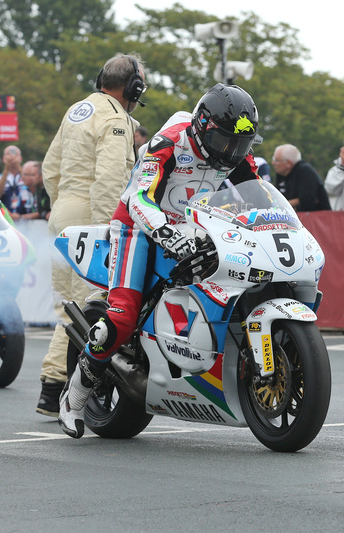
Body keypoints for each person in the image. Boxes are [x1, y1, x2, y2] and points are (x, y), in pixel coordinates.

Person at [58, 83, 262, 438]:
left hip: (195, 227)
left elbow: (257, 195)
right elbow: (138, 197)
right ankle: (73, 397)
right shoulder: (167, 143)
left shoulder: (234, 151)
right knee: (120, 318)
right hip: (137, 225)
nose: (231, 151)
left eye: (240, 144)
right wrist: (166, 232)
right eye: (225, 142)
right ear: (201, 127)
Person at [37, 53, 144, 418]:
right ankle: (57, 392)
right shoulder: (116, 118)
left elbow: (50, 168)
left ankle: (51, 391)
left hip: (63, 212)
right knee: (90, 308)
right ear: (134, 87)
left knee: (68, 307)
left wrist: (61, 207)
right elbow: (110, 180)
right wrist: (109, 231)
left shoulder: (77, 110)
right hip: (90, 216)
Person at [272, 144, 330, 211]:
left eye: (276, 160)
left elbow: (308, 201)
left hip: (317, 217)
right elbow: (277, 199)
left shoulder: (305, 171)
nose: (273, 163)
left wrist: (282, 205)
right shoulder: (282, 173)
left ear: (289, 163)